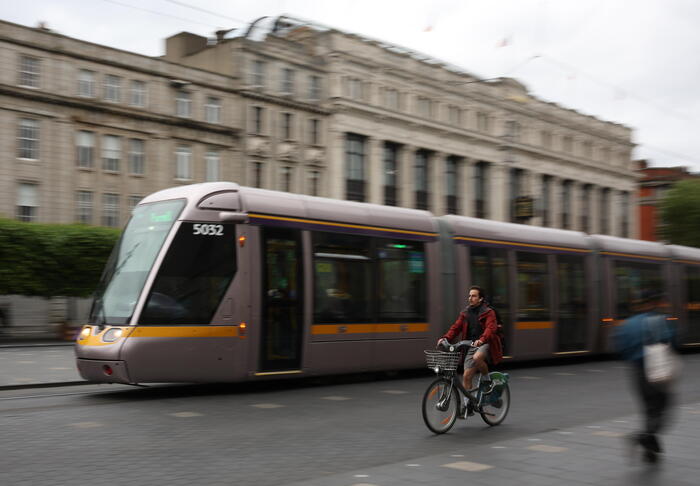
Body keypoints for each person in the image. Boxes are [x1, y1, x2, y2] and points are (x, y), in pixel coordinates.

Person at [613, 289, 679, 464]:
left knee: (649, 411)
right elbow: (673, 341)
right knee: (663, 410)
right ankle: (641, 437)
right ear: (651, 303)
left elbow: (621, 349)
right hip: (658, 373)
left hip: (637, 374)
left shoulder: (626, 324)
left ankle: (650, 453)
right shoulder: (659, 321)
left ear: (638, 305)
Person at [437, 286, 503, 416]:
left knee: (477, 357)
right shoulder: (465, 313)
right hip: (471, 345)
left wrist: (482, 339)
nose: (470, 298)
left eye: (473, 296)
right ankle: (468, 406)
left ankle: (487, 381)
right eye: (469, 296)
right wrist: (445, 338)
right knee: (466, 376)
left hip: (486, 343)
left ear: (480, 298)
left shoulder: (488, 312)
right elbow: (455, 327)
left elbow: (491, 328)